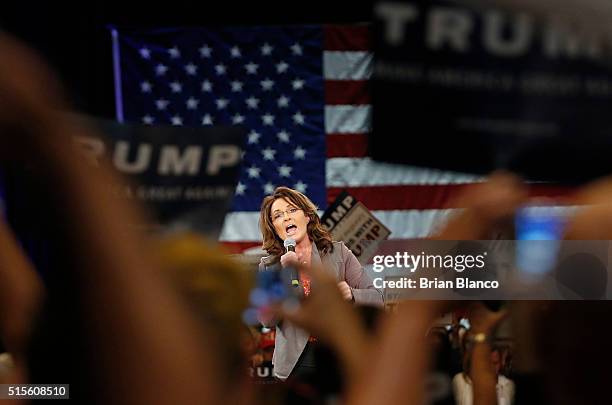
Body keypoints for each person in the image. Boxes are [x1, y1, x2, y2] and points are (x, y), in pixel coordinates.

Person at [257, 186, 382, 381]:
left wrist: (351, 294)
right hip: (293, 365)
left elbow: (377, 298)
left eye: (292, 210)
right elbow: (266, 320)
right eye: (278, 215)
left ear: (307, 216)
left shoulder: (338, 252)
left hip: (337, 355)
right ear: (274, 227)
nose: (287, 218)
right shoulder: (269, 266)